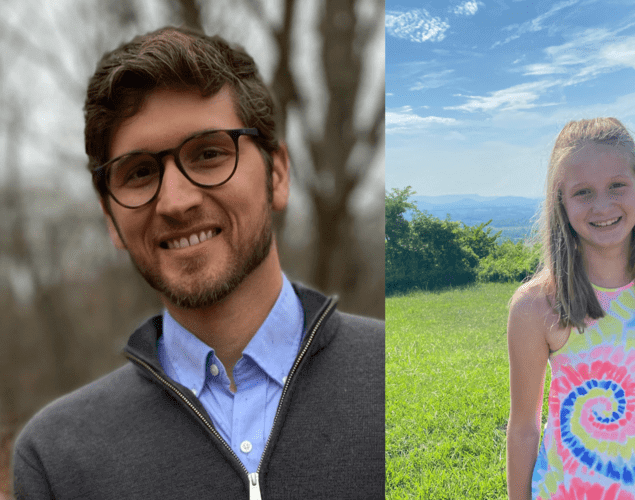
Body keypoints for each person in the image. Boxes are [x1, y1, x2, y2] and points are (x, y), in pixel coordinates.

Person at [12, 26, 383, 499]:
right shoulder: (58, 461)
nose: (175, 201)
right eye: (140, 172)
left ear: (278, 173)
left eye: (208, 153)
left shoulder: (406, 381)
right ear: (109, 216)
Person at [506, 118, 635, 499]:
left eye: (617, 185)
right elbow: (523, 427)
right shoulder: (536, 306)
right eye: (583, 192)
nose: (602, 205)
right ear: (562, 204)